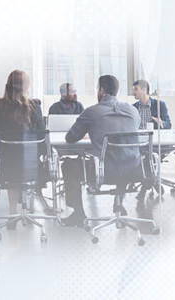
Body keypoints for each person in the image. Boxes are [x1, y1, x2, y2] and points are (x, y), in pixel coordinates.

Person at [61, 75, 141, 227]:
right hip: (134, 170)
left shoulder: (92, 112)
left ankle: (78, 214)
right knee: (122, 157)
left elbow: (70, 137)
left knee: (68, 165)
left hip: (104, 172)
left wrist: (90, 131)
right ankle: (118, 202)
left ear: (102, 90)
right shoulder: (133, 111)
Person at [0, 70, 45, 227]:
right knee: (25, 163)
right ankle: (27, 208)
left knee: (13, 168)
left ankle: (12, 209)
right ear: (26, 85)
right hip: (31, 164)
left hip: (8, 163)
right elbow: (41, 136)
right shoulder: (35, 106)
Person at [132, 79, 171, 201]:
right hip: (138, 142)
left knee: (148, 158)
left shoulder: (159, 105)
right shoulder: (133, 108)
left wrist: (161, 123)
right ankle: (153, 181)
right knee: (146, 159)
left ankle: (144, 188)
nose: (133, 92)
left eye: (136, 89)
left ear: (144, 90)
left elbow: (168, 124)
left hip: (155, 142)